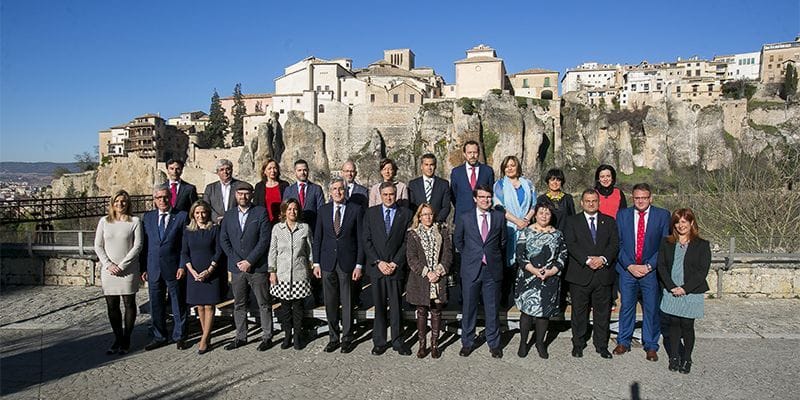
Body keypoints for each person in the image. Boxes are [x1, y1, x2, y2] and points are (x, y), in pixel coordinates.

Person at [614, 183, 671, 361]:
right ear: (633, 198)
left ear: (650, 198)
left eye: (644, 198)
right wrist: (629, 265)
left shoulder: (662, 215)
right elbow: (617, 243)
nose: (640, 201)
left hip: (650, 271)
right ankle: (623, 341)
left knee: (651, 308)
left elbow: (664, 245)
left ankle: (651, 345)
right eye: (637, 198)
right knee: (627, 307)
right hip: (628, 270)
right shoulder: (622, 215)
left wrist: (649, 266)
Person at [563, 189, 619, 359]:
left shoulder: (609, 221)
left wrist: (602, 259)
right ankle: (578, 344)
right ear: (582, 203)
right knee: (579, 313)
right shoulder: (572, 221)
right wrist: (587, 260)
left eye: (594, 200)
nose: (591, 203)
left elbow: (614, 244)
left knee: (602, 313)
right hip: (580, 274)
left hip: (603, 274)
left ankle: (601, 345)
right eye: (587, 201)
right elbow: (571, 244)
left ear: (598, 202)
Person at [220, 181, 274, 352]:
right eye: (240, 194)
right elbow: (224, 240)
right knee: (239, 303)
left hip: (257, 266)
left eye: (246, 193)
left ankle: (267, 336)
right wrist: (237, 261)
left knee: (263, 303)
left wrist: (250, 261)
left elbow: (264, 239)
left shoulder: (260, 212)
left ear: (251, 195)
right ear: (235, 195)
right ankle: (241, 336)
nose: (243, 197)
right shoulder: (229, 215)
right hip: (237, 268)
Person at [312, 177, 364, 354]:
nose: (338, 192)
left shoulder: (355, 210)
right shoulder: (323, 210)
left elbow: (360, 239)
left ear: (345, 191)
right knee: (330, 302)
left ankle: (347, 338)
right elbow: (318, 238)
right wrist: (316, 263)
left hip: (347, 263)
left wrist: (359, 265)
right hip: (327, 263)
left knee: (347, 302)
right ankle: (333, 337)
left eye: (341, 188)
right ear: (330, 192)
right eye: (334, 189)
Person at [454, 184, 507, 358]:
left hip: (492, 269)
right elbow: (458, 241)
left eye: (488, 197)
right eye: (482, 197)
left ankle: (494, 343)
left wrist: (489, 255)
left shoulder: (499, 217)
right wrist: (472, 255)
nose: (485, 200)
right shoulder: (465, 217)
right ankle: (467, 342)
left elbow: (502, 241)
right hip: (471, 269)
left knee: (492, 309)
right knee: (469, 308)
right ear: (475, 199)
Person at [657, 208, 711, 374]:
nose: (681, 225)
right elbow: (661, 266)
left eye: (684, 221)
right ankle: (674, 357)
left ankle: (687, 358)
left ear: (691, 222)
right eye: (677, 222)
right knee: (673, 324)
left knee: (687, 325)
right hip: (671, 289)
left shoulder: (702, 245)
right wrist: (671, 286)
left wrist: (685, 289)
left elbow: (702, 271)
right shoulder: (666, 243)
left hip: (691, 291)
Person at [363, 182, 413, 356]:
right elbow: (366, 240)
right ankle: (379, 341)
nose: (388, 197)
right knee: (379, 306)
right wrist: (379, 262)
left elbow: (407, 241)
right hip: (377, 267)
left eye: (391, 194)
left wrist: (395, 263)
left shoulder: (405, 214)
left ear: (396, 195)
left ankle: (398, 340)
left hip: (395, 268)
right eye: (385, 194)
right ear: (380, 195)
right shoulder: (371, 213)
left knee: (396, 306)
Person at [513, 202, 567, 359]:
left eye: (547, 213)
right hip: (528, 278)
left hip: (549, 278)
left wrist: (552, 271)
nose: (544, 216)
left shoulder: (557, 234)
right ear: (535, 215)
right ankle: (523, 343)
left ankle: (540, 343)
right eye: (541, 213)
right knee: (526, 313)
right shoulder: (526, 232)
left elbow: (563, 255)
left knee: (544, 314)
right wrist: (534, 271)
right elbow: (520, 255)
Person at [140, 185, 189, 351]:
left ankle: (180, 336)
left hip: (174, 267)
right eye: (159, 197)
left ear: (171, 198)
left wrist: (182, 266)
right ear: (154, 200)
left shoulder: (181, 216)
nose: (162, 200)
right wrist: (143, 268)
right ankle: (159, 336)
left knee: (178, 303)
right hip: (153, 267)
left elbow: (184, 245)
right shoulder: (148, 218)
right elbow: (145, 245)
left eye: (165, 197)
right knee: (156, 304)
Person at [94, 190, 143, 355]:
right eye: (117, 201)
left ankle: (126, 338)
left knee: (129, 303)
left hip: (128, 270)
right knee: (112, 305)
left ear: (128, 203)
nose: (120, 204)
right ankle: (118, 337)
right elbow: (98, 246)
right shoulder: (104, 222)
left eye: (123, 201)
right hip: (109, 271)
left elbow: (138, 246)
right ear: (112, 203)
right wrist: (108, 264)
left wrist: (122, 265)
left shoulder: (135, 221)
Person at [405, 203, 453, 359]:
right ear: (419, 217)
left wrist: (438, 271)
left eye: (430, 214)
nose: (428, 217)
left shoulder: (442, 231)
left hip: (438, 278)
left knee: (436, 311)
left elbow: (448, 254)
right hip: (421, 278)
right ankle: (421, 345)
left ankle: (434, 344)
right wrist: (427, 273)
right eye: (424, 214)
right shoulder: (413, 234)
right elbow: (412, 258)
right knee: (421, 312)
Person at [269, 198, 314, 350]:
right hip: (282, 274)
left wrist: (312, 267)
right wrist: (272, 271)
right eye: (289, 209)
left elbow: (310, 250)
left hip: (299, 273)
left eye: (295, 209)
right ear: (284, 211)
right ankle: (287, 335)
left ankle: (298, 336)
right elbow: (273, 251)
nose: (292, 212)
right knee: (285, 308)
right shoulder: (277, 229)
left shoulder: (304, 228)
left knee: (298, 308)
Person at [180, 200, 224, 355]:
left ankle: (204, 339)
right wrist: (192, 271)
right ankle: (206, 335)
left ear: (208, 213)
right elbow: (184, 252)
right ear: (193, 214)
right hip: (194, 273)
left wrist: (209, 270)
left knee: (209, 306)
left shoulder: (214, 229)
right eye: (197, 213)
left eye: (203, 212)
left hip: (211, 271)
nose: (201, 215)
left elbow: (218, 251)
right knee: (199, 306)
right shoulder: (188, 231)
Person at [493, 155, 536, 307]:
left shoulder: (528, 184)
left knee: (525, 264)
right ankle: (504, 299)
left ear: (518, 167)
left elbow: (534, 204)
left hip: (525, 227)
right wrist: (517, 221)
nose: (510, 168)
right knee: (508, 266)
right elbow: (499, 206)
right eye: (507, 166)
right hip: (508, 228)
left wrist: (526, 220)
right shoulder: (499, 185)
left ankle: (523, 298)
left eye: (513, 165)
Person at [595, 164, 625, 311]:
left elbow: (624, 215)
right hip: (597, 235)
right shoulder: (594, 194)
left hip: (615, 234)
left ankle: (612, 298)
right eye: (602, 176)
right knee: (599, 267)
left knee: (612, 267)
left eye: (608, 176)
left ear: (612, 178)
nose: (605, 179)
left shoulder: (619, 193)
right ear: (598, 178)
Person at [450, 140, 495, 222]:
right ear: (464, 154)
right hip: (462, 216)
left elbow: (491, 192)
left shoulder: (487, 171)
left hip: (483, 216)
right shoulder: (456, 172)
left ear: (479, 153)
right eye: (469, 153)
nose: (472, 155)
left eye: (475, 152)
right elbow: (453, 195)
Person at [282, 159, 325, 236]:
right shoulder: (288, 190)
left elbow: (321, 210)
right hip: (293, 230)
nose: (302, 172)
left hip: (312, 229)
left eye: (305, 170)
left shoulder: (316, 189)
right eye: (299, 170)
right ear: (295, 172)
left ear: (308, 171)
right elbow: (285, 211)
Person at [408, 153, 451, 223]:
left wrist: (437, 221)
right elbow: (411, 206)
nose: (429, 168)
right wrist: (419, 219)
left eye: (431, 165)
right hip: (419, 224)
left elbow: (446, 207)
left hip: (438, 223)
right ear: (421, 166)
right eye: (426, 165)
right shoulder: (413, 184)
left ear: (435, 166)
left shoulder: (443, 184)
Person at [536, 168, 575, 232]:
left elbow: (573, 218)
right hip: (547, 234)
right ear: (548, 181)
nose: (555, 183)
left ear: (562, 182)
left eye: (558, 180)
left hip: (566, 234)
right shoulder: (541, 199)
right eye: (552, 180)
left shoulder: (568, 198)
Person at [254, 158, 290, 224]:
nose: (272, 171)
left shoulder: (284, 185)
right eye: (269, 168)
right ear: (264, 171)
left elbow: (288, 203)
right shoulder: (259, 186)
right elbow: (256, 205)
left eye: (275, 168)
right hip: (264, 221)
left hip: (282, 221)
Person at [203, 159, 240, 223]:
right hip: (215, 223)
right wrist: (217, 218)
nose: (225, 172)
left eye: (228, 169)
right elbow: (206, 205)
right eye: (222, 170)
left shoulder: (240, 186)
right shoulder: (210, 188)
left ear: (232, 170)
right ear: (217, 172)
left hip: (235, 222)